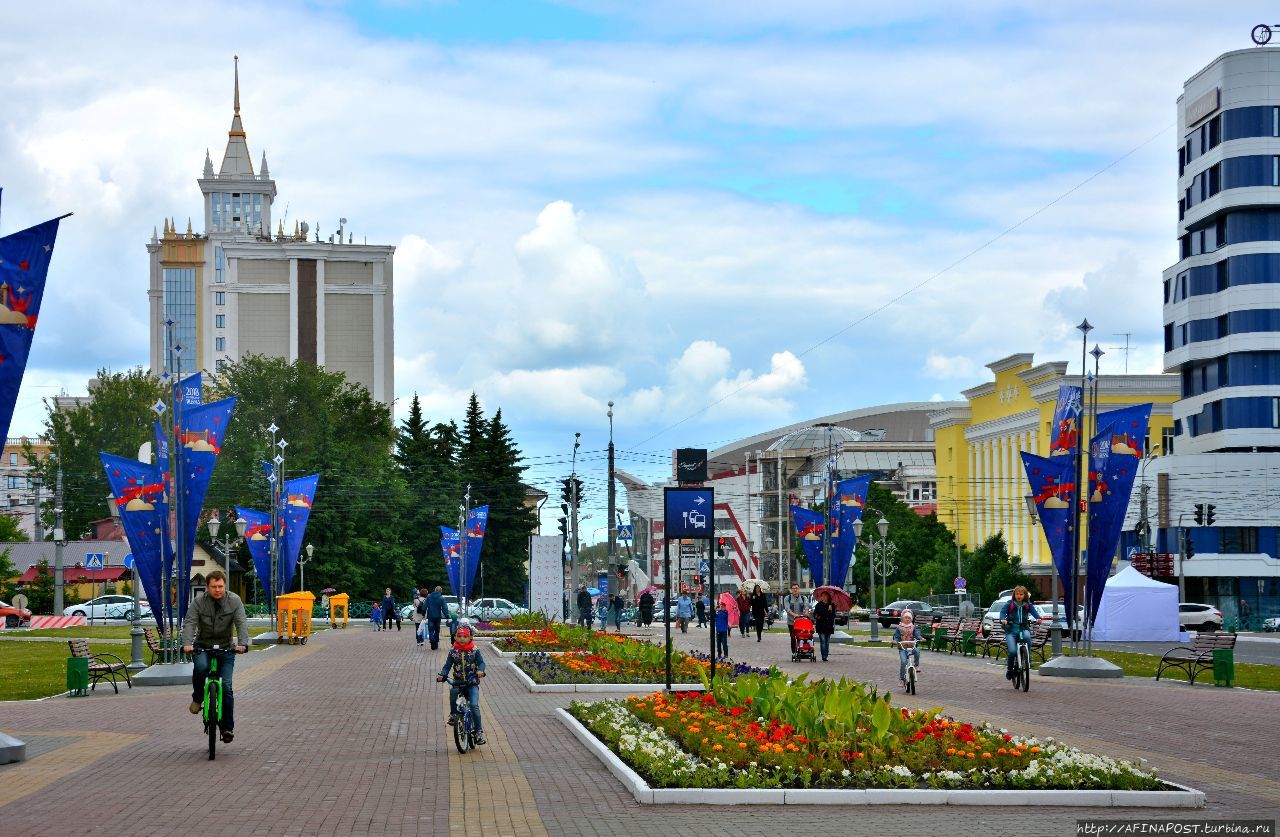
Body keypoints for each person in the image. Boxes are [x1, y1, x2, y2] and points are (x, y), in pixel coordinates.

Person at [181, 570, 248, 744]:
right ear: (207, 587)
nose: (217, 590)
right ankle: (198, 697)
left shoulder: (234, 601)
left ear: (225, 586)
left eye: (220, 586)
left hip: (226, 648)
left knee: (226, 686)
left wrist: (243, 644)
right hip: (203, 646)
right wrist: (187, 643)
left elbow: (241, 622)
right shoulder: (198, 602)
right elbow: (190, 622)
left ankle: (227, 728)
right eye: (213, 587)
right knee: (201, 667)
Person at [436, 625, 487, 746]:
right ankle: (454, 715)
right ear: (455, 637)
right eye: (459, 636)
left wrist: (480, 670)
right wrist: (442, 675)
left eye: (465, 636)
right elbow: (447, 665)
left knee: (474, 705)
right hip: (458, 682)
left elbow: (481, 663)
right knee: (453, 692)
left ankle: (478, 732)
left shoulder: (474, 650)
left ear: (470, 637)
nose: (462, 639)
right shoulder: (453, 651)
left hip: (472, 682)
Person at [999, 586, 1043, 679]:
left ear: (1025, 595)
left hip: (1023, 629)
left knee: (1027, 637)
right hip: (1011, 631)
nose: (1019, 596)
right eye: (1017, 594)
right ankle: (1010, 670)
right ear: (1014, 595)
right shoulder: (1009, 604)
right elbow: (1002, 613)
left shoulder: (1027, 604)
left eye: (1021, 594)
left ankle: (1028, 659)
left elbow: (1034, 612)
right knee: (1012, 651)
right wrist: (1003, 619)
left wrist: (1038, 618)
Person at [893, 609, 923, 687]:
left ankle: (916, 666)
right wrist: (895, 641)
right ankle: (901, 679)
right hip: (902, 648)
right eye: (906, 618)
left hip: (911, 647)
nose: (907, 619)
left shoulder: (913, 627)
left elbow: (917, 635)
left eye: (909, 618)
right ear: (902, 618)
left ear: (911, 619)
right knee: (903, 662)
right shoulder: (899, 628)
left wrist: (920, 638)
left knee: (917, 651)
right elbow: (896, 637)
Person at [782, 583, 812, 655]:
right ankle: (794, 651)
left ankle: (801, 649)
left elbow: (806, 606)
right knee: (793, 637)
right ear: (791, 590)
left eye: (796, 588)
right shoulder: (787, 598)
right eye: (793, 588)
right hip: (791, 622)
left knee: (801, 636)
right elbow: (787, 609)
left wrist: (806, 612)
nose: (795, 590)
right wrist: (795, 615)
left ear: (799, 589)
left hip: (801, 622)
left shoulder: (803, 598)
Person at [813, 590, 836, 662]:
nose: (824, 597)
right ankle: (824, 656)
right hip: (821, 625)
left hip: (828, 625)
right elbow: (815, 614)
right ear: (821, 597)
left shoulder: (831, 605)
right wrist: (818, 616)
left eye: (826, 596)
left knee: (827, 641)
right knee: (823, 640)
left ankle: (826, 654)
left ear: (828, 597)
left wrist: (831, 610)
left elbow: (833, 616)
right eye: (823, 596)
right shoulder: (818, 605)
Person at [425, 586, 447, 650]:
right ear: (441, 591)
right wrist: (447, 615)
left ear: (435, 590)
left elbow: (425, 605)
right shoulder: (441, 598)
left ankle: (432, 640)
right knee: (437, 630)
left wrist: (423, 612)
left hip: (430, 616)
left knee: (431, 630)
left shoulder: (429, 597)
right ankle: (436, 642)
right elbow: (444, 608)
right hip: (438, 617)